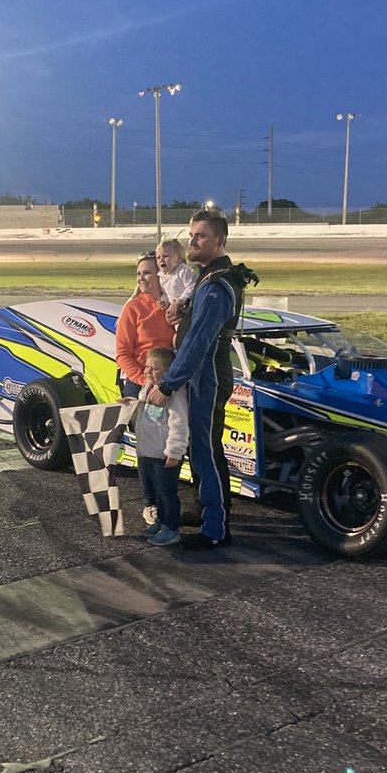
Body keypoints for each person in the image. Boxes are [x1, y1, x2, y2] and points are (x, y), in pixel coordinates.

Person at [147, 210, 256, 551]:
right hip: (201, 373)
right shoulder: (208, 278)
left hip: (206, 375)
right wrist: (180, 313)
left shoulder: (217, 283)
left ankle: (215, 528)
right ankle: (205, 509)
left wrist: (168, 383)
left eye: (201, 236)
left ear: (220, 240)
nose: (193, 241)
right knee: (199, 448)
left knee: (206, 450)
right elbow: (195, 328)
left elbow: (200, 342)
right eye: (192, 235)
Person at [132, 346, 189, 547]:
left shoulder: (175, 394)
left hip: (163, 456)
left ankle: (171, 528)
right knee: (155, 493)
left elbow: (179, 425)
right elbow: (142, 411)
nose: (148, 372)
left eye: (154, 369)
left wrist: (174, 452)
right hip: (146, 452)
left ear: (168, 372)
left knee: (167, 493)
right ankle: (160, 521)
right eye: (147, 367)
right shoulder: (147, 388)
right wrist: (128, 405)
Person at [115, 252, 174, 398]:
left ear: (161, 275)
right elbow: (123, 355)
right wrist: (145, 382)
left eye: (147, 273)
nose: (141, 278)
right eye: (138, 274)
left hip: (171, 384)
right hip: (140, 384)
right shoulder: (132, 308)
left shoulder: (176, 305)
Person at [155, 238, 196, 325]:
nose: (161, 260)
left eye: (165, 256)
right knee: (176, 336)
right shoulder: (161, 277)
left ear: (178, 259)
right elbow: (166, 293)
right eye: (158, 257)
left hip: (189, 310)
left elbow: (191, 287)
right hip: (175, 313)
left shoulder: (184, 271)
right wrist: (164, 300)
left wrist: (180, 301)